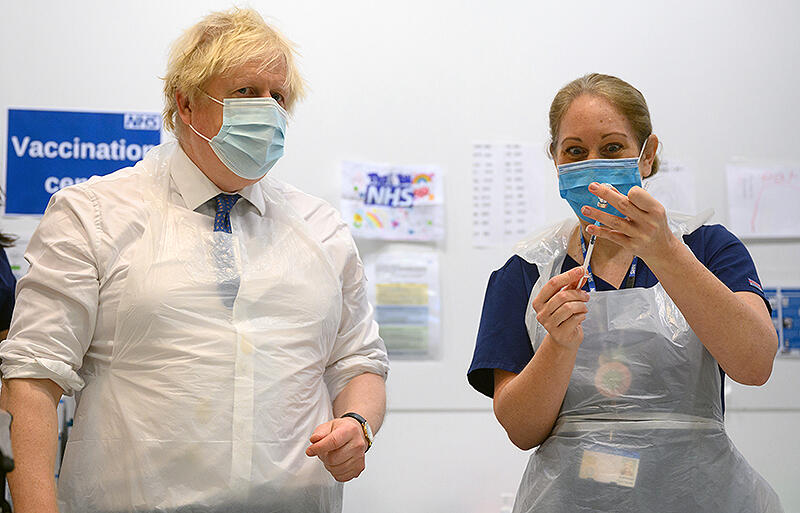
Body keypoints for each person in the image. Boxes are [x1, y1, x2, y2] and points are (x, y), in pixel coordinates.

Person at [0, 8, 389, 513]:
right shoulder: (94, 214)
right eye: (245, 91)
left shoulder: (321, 228)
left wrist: (358, 423)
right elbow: (32, 378)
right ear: (185, 103)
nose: (267, 110)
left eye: (277, 96)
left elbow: (359, 362)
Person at [468, 73, 783, 512]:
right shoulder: (527, 271)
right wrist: (558, 344)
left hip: (698, 497)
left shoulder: (708, 248)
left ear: (647, 155)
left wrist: (667, 253)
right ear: (555, 159)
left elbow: (755, 364)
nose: (592, 165)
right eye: (574, 151)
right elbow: (521, 430)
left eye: (613, 148)